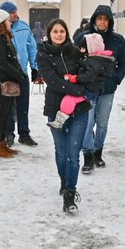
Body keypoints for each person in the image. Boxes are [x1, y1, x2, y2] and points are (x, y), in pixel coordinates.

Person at [36, 19, 91, 212]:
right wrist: (79, 89)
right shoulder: (42, 55)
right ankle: (63, 179)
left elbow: (88, 72)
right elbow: (53, 81)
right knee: (61, 151)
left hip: (79, 110)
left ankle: (70, 194)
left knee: (73, 154)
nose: (59, 35)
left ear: (66, 33)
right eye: (55, 32)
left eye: (62, 31)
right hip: (56, 110)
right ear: (49, 34)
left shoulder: (75, 52)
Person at [74, 5, 125, 173]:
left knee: (102, 124)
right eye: (99, 19)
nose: (102, 22)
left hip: (108, 89)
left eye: (106, 19)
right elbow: (74, 59)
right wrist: (81, 78)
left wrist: (116, 78)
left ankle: (98, 152)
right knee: (88, 123)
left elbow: (124, 62)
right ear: (94, 20)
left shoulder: (117, 39)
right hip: (88, 89)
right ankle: (88, 155)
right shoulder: (83, 37)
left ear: (110, 21)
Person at [0, 1, 38, 147]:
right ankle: (9, 133)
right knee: (8, 106)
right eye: (12, 13)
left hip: (22, 72)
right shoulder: (0, 30)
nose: (15, 15)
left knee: (23, 105)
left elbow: (32, 47)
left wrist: (34, 67)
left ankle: (24, 134)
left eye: (16, 11)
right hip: (8, 74)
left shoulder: (24, 26)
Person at [48, 33, 114, 130]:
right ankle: (61, 120)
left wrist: (75, 78)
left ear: (91, 48)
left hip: (89, 89)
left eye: (83, 48)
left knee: (69, 99)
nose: (81, 50)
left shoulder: (94, 62)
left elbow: (89, 76)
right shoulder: (98, 59)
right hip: (92, 89)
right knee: (69, 99)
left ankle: (60, 121)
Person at [0, 6, 25, 158]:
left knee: (5, 114)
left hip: (7, 82)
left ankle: (2, 144)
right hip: (0, 84)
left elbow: (10, 61)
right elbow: (2, 64)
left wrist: (18, 73)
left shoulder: (3, 38)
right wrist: (18, 75)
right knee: (0, 116)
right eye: (8, 21)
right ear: (1, 23)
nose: (10, 23)